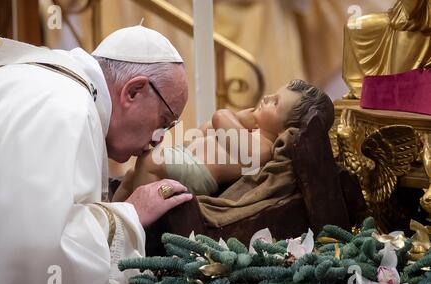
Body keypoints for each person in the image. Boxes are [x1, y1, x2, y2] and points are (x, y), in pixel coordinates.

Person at [0, 26, 193, 284]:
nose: (158, 141)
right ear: (133, 91)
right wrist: (130, 214)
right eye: (164, 123)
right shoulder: (69, 109)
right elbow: (37, 259)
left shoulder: (30, 80)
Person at [112, 79, 332, 201]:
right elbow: (208, 128)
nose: (266, 98)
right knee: (131, 174)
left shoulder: (263, 148)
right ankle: (115, 214)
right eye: (272, 95)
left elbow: (219, 118)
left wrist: (233, 117)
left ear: (286, 128)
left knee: (149, 161)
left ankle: (139, 222)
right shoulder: (250, 133)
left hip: (198, 176)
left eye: (275, 103)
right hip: (186, 160)